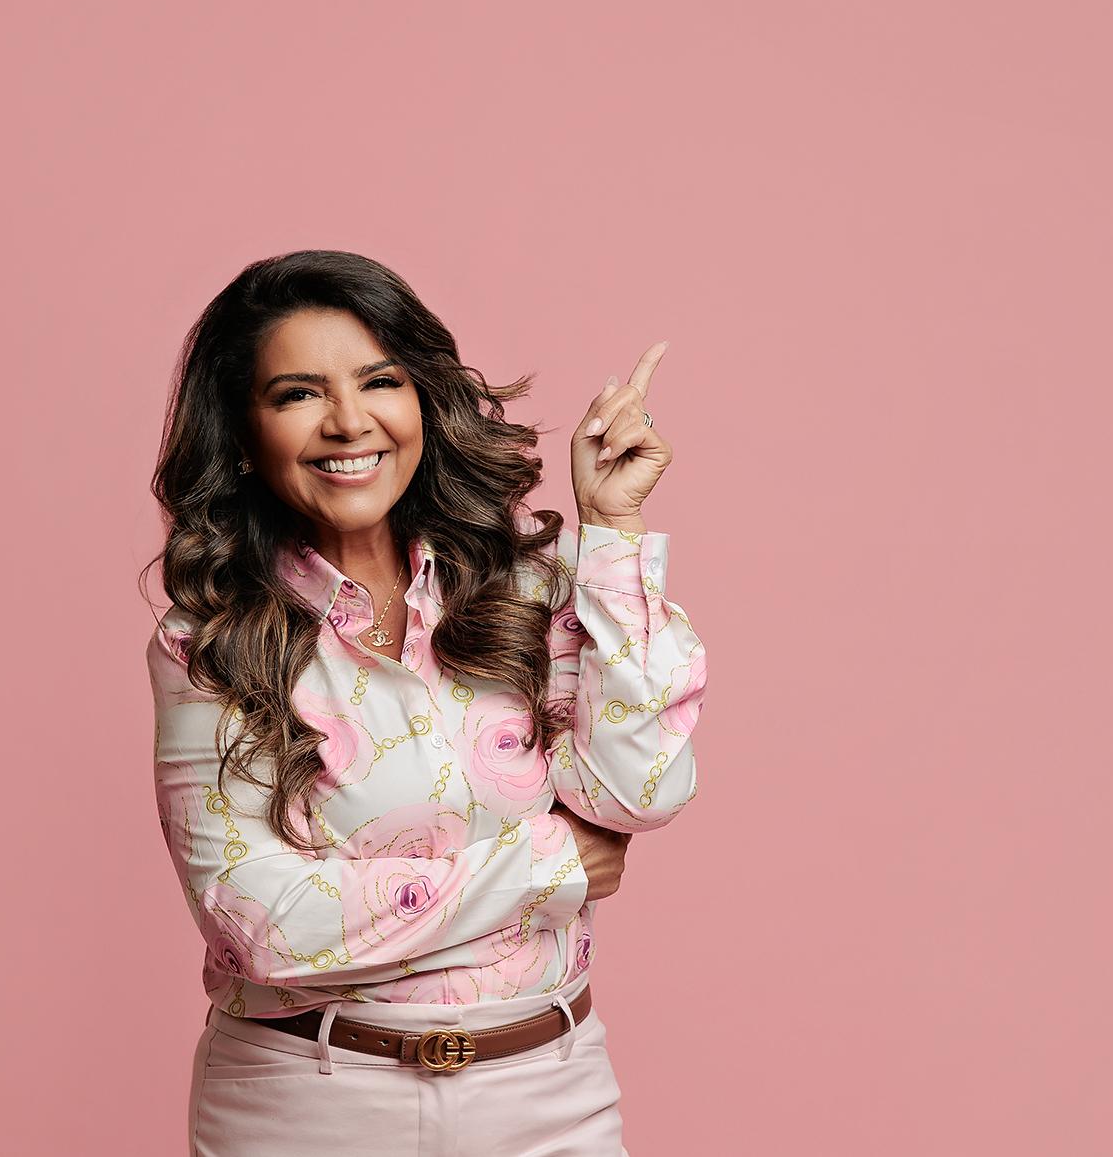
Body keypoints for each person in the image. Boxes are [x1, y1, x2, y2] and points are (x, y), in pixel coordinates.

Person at [144, 250, 707, 1156]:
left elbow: (639, 791)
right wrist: (547, 865)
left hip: (549, 1096)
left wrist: (612, 533)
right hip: (310, 1109)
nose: (348, 420)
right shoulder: (209, 641)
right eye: (298, 393)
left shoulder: (522, 587)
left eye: (379, 381)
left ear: (424, 401)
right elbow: (261, 922)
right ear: (243, 435)